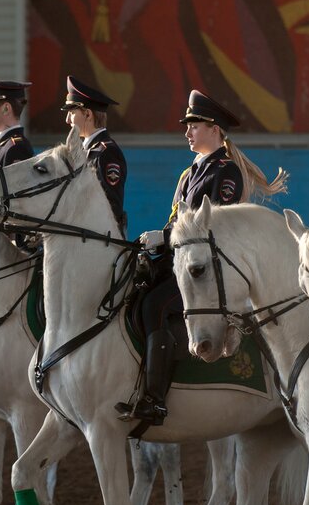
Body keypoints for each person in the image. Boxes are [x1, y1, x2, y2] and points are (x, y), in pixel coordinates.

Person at [116, 90, 288, 424]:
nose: (187, 132)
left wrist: (163, 238)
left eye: (194, 125)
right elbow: (178, 224)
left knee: (156, 307)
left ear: (215, 128)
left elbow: (213, 229)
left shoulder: (226, 172)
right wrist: (158, 242)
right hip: (180, 264)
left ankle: (155, 398)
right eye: (188, 126)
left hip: (208, 272)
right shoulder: (190, 173)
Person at [62, 75, 128, 231]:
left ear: (87, 114)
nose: (67, 120)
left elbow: (110, 207)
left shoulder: (107, 152)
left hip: (97, 243)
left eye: (71, 113)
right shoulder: (86, 149)